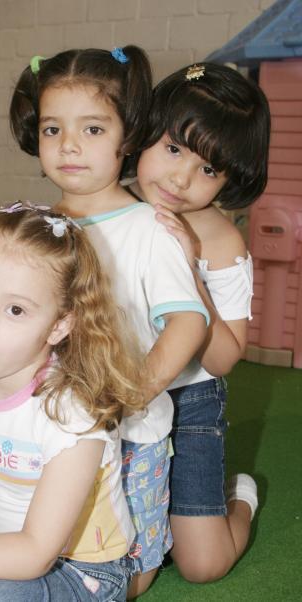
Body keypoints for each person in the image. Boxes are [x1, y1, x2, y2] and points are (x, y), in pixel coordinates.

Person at [10, 46, 209, 598]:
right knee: (47, 544)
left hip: (131, 432)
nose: (69, 145)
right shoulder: (32, 225)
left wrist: (131, 393)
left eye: (93, 128)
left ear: (128, 137)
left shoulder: (149, 228)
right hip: (47, 428)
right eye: (53, 129)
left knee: (133, 578)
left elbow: (188, 324)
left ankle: (229, 497)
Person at [0, 201, 148, 602]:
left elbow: (35, 552)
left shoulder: (72, 410)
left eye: (15, 309)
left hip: (80, 572)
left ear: (59, 325)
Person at [133, 61, 271, 583]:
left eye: (209, 170)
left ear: (231, 179)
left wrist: (191, 265)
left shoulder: (221, 241)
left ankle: (237, 498)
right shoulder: (116, 207)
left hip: (191, 398)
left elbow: (223, 356)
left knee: (202, 565)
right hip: (120, 394)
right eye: (173, 148)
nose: (180, 179)